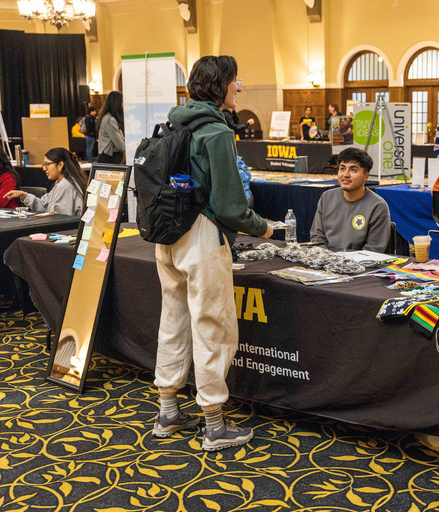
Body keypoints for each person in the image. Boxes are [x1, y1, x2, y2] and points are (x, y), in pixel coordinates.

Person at [152, 55, 274, 452]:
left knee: (173, 320)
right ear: (220, 84)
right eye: (236, 80)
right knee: (213, 327)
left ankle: (167, 411)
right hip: (202, 237)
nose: (240, 86)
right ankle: (214, 426)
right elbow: (230, 206)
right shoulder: (217, 132)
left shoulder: (174, 121)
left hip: (166, 235)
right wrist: (264, 227)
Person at [310, 147, 390, 252]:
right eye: (342, 168)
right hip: (327, 262)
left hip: (361, 265)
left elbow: (373, 249)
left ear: (365, 176)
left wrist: (345, 264)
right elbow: (317, 239)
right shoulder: (326, 198)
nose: (346, 175)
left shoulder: (377, 206)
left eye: (353, 170)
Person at [3, 148, 85, 216]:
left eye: (47, 164)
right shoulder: (60, 183)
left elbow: (59, 218)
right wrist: (24, 195)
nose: (44, 168)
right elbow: (43, 205)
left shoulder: (65, 185)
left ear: (60, 165)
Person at [96, 91, 125, 164]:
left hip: (112, 158)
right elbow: (121, 146)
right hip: (109, 159)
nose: (124, 105)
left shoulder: (113, 119)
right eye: (122, 102)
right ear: (116, 104)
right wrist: (122, 140)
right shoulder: (109, 120)